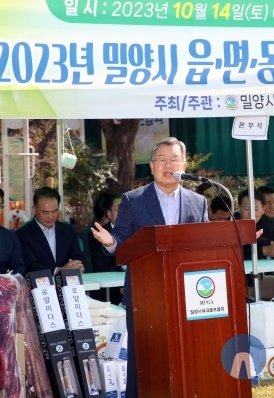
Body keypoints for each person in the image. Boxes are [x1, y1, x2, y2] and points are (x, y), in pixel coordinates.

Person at [91, 137, 208, 398]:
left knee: (187, 355)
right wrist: (111, 243)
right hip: (145, 295)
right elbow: (121, 240)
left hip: (189, 295)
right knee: (144, 360)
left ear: (184, 164)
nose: (168, 164)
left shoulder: (197, 202)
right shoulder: (133, 200)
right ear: (152, 166)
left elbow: (205, 245)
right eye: (162, 160)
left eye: (174, 159)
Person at [234, 188, 274, 300]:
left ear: (263, 209)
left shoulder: (268, 223)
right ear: (239, 208)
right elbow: (234, 253)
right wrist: (265, 250)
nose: (251, 213)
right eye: (247, 208)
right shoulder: (230, 224)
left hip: (259, 278)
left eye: (256, 209)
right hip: (235, 281)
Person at [16, 187, 85, 276]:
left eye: (54, 211)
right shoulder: (23, 234)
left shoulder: (67, 230)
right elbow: (30, 265)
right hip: (38, 286)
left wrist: (78, 266)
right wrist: (59, 270)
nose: (50, 216)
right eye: (45, 212)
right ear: (34, 210)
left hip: (69, 284)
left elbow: (78, 256)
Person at [82, 192, 123, 304]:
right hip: (107, 293)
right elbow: (102, 266)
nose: (123, 213)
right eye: (118, 210)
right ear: (109, 214)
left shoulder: (138, 232)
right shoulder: (98, 235)